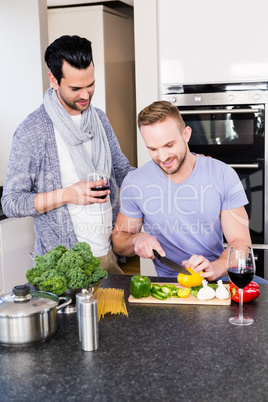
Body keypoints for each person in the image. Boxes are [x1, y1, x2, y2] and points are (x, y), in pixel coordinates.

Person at [1, 35, 134, 274]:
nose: (85, 95)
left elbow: (122, 172)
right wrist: (67, 194)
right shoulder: (33, 131)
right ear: (54, 80)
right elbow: (11, 202)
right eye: (75, 88)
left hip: (107, 255)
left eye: (90, 84)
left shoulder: (99, 119)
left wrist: (176, 170)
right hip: (62, 264)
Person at [112, 100, 253, 281]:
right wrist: (135, 239)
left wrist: (215, 268)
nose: (163, 157)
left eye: (169, 145)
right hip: (170, 284)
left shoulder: (223, 174)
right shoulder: (135, 182)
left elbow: (241, 243)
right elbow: (119, 242)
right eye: (153, 149)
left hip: (218, 280)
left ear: (186, 134)